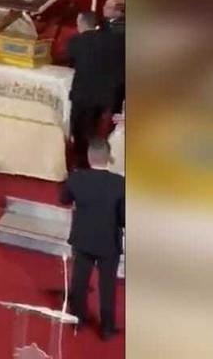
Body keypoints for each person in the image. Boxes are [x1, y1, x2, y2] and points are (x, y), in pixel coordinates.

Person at [60, 137, 125, 341]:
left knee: (79, 281)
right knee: (107, 286)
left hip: (83, 238)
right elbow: (124, 219)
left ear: (89, 157)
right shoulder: (120, 184)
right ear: (109, 158)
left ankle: (77, 318)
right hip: (109, 243)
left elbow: (64, 199)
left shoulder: (77, 178)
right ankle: (106, 327)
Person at [65, 11, 123, 168]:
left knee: (79, 130)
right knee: (95, 128)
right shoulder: (113, 40)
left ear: (81, 24)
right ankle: (100, 158)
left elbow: (70, 64)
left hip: (82, 96)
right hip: (107, 96)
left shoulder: (75, 42)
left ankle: (83, 163)